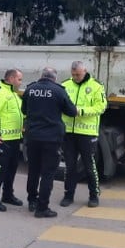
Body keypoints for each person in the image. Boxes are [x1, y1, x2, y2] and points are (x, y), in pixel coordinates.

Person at [22, 66, 77, 218]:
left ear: (42, 75)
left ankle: (32, 201)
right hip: (52, 139)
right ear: (54, 77)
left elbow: (24, 111)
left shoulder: (30, 89)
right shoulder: (59, 90)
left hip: (33, 137)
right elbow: (72, 112)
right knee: (47, 174)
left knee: (33, 170)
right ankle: (42, 208)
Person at [60, 60, 107, 208]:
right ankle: (68, 195)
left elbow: (101, 107)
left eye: (78, 75)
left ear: (85, 71)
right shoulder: (65, 85)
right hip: (68, 133)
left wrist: (81, 111)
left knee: (89, 165)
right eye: (73, 75)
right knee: (70, 166)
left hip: (87, 133)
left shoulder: (96, 86)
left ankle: (94, 196)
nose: (75, 77)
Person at [0, 68, 24, 212]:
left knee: (12, 168)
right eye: (19, 79)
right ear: (11, 78)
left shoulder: (12, 93)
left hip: (15, 138)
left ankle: (8, 194)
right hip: (3, 139)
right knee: (0, 169)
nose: (21, 83)